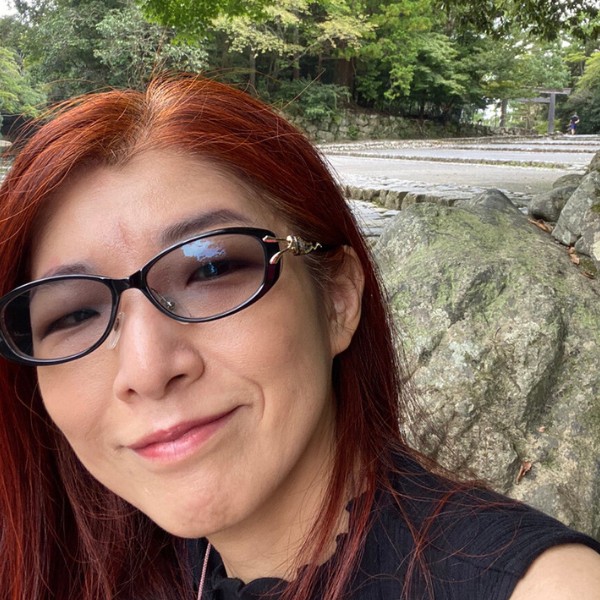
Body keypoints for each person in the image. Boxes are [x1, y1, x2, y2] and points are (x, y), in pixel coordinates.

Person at [0, 75, 598, 600]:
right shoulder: (82, 565)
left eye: (212, 269)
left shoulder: (546, 587)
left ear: (337, 297)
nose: (147, 369)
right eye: (73, 316)